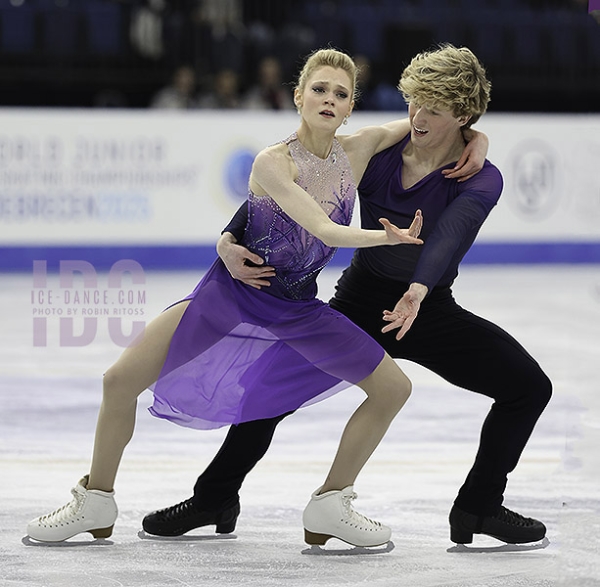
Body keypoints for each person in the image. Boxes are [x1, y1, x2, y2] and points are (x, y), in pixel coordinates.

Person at [142, 44, 552, 546]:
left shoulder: (480, 177)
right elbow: (288, 195)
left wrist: (418, 289)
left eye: (435, 109)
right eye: (414, 102)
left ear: (463, 116)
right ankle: (214, 499)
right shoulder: (375, 155)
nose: (418, 116)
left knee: (529, 387)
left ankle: (478, 507)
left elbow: (450, 237)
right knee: (268, 390)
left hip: (428, 311)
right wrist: (228, 239)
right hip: (359, 302)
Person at [26, 48, 433, 548]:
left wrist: (474, 136)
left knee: (394, 388)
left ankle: (331, 504)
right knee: (118, 381)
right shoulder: (272, 161)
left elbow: (419, 125)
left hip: (297, 309)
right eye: (319, 89)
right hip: (233, 297)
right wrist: (383, 237)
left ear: (351, 107)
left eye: (341, 94)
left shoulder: (361, 147)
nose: (329, 99)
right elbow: (323, 226)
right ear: (298, 96)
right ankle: (96, 503)